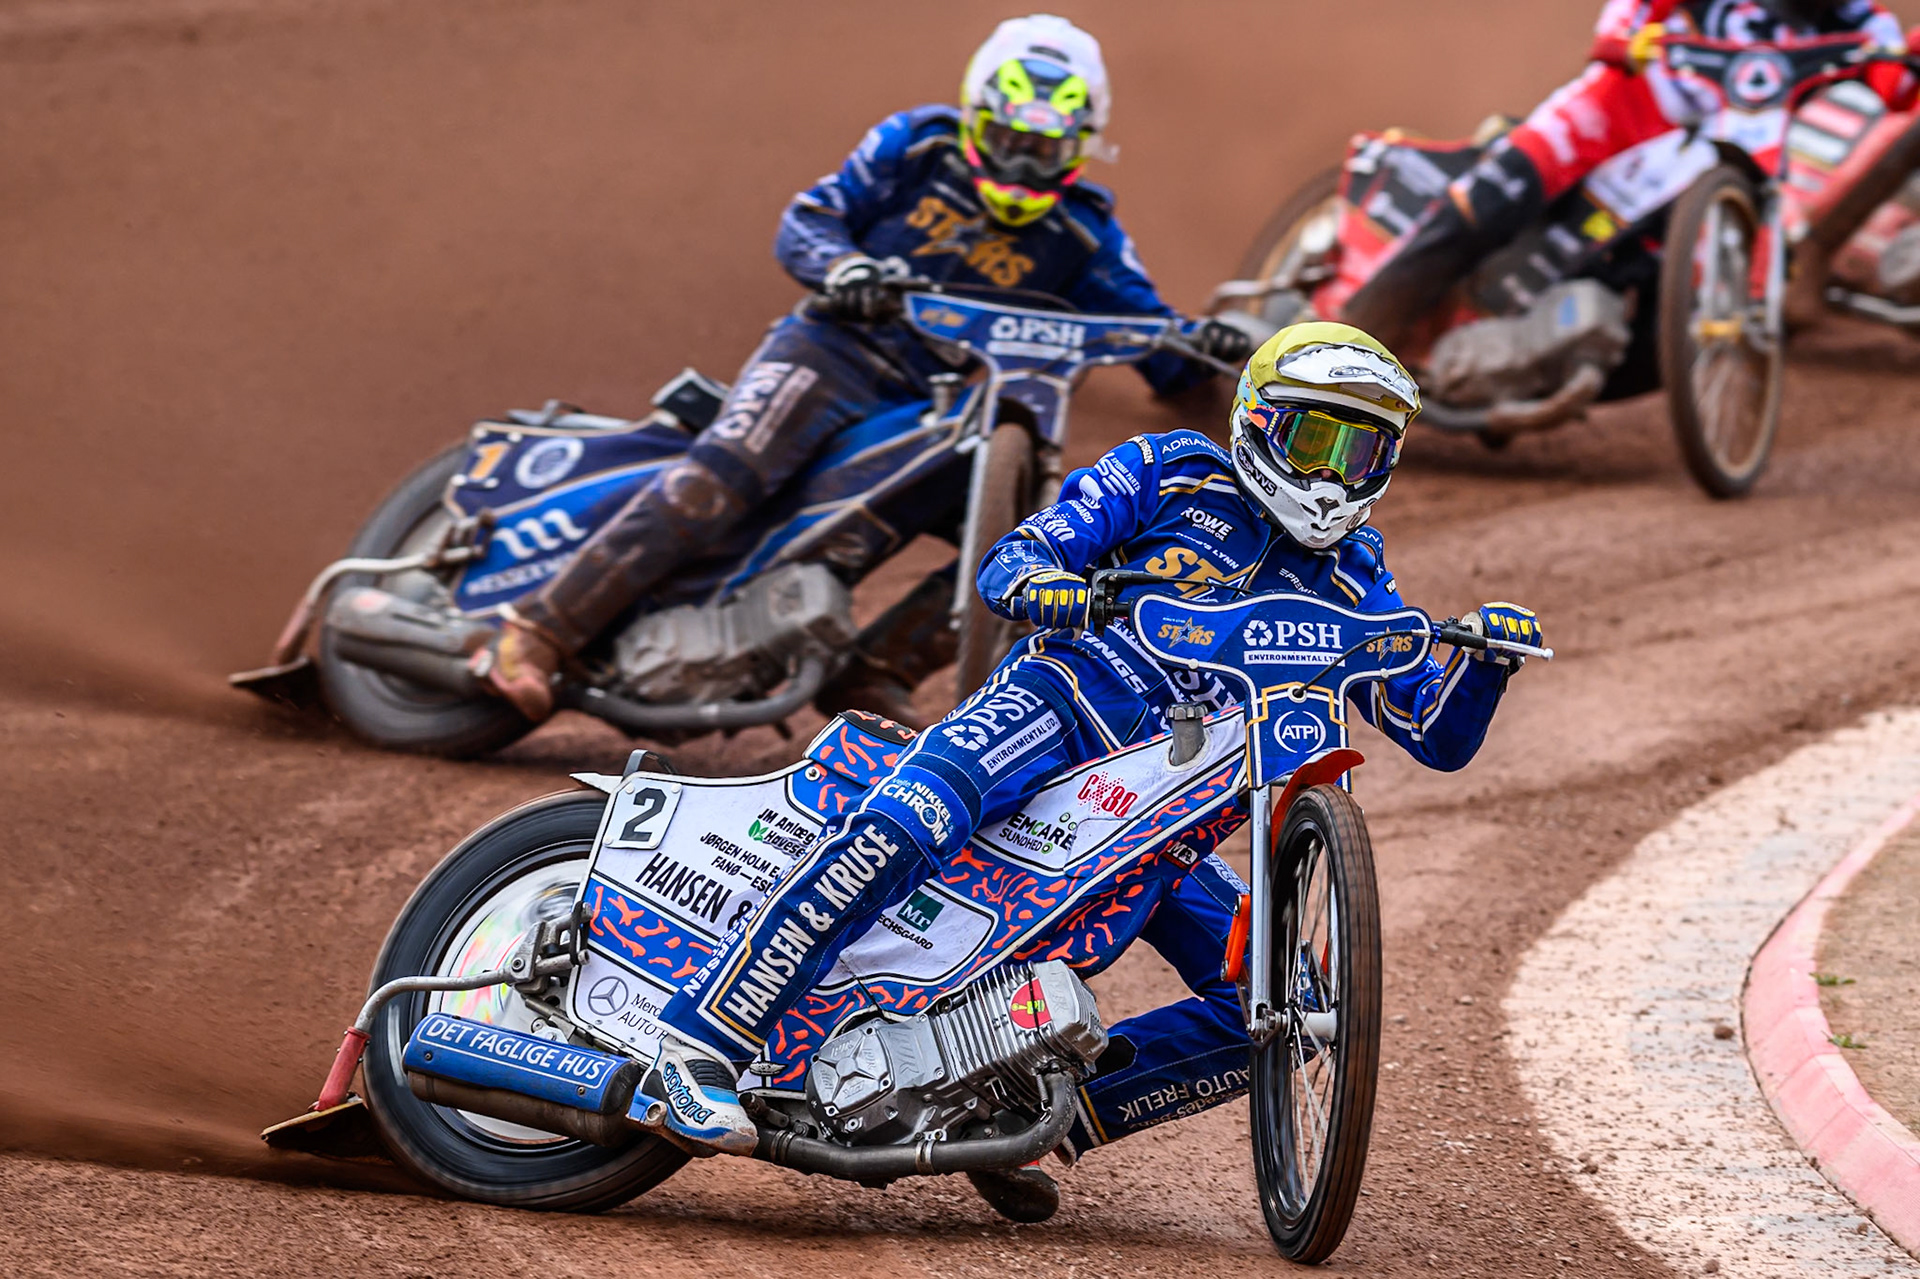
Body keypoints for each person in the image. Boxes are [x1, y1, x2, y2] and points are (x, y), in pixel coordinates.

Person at [630, 323, 1543, 1217]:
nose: (1332, 474)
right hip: (1055, 713)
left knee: (1288, 1002)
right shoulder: (1170, 469)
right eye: (1315, 439)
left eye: (1361, 449)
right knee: (901, 826)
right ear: (1261, 423)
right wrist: (1049, 580)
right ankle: (697, 1039)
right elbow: (1014, 557)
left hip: (1167, 820)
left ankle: (1020, 1117)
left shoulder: (1354, 569)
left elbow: (1433, 729)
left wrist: (1487, 663)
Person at [468, 14, 1253, 730]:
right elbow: (810, 218)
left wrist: (1209, 345)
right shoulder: (914, 147)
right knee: (721, 478)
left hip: (945, 409)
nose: (1022, 162)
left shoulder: (1086, 234)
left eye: (1045, 149)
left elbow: (1155, 338)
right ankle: (534, 631)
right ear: (978, 117)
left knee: (1030, 549)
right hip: (834, 353)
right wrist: (844, 267)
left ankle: (875, 671)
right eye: (1010, 138)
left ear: (1081, 145)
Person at [1343, 0, 1917, 349]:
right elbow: (1628, 17)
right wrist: (1623, 39)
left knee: (1679, 294)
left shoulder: (1860, 18)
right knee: (1495, 198)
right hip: (1622, 104)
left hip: (1723, 158)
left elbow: (1896, 89)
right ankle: (1355, 329)